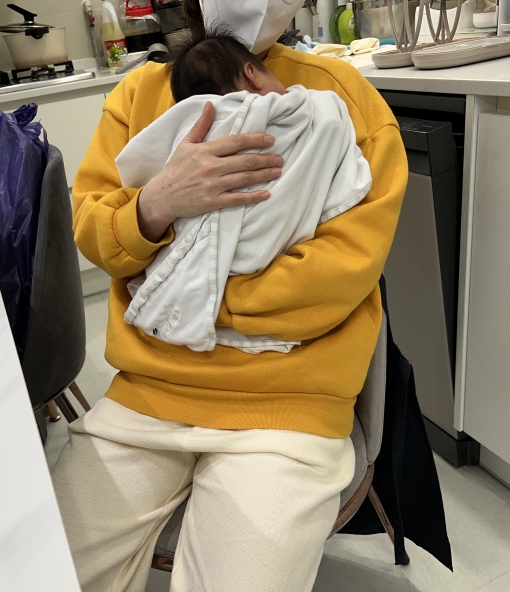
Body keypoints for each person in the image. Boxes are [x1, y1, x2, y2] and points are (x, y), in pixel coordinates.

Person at [51, 0, 408, 590]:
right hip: (147, 397)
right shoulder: (138, 95)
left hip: (287, 406)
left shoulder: (339, 92)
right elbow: (94, 233)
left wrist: (188, 299)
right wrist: (155, 203)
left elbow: (346, 266)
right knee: (47, 570)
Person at [119, 30, 372, 354]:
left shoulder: (181, 127)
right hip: (277, 317)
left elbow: (137, 167)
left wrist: (216, 297)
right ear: (252, 73)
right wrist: (158, 202)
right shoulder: (316, 102)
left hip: (181, 317)